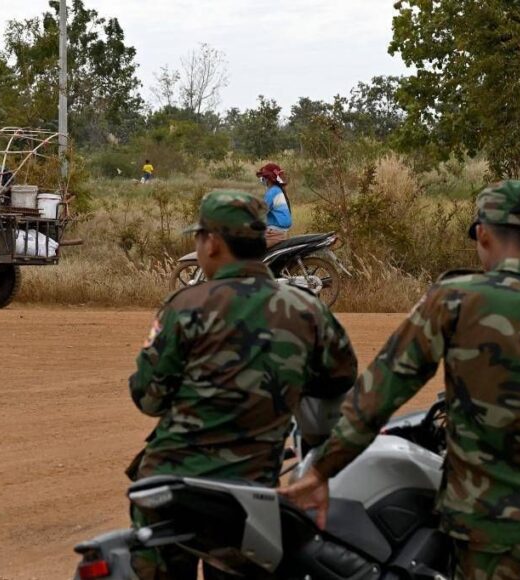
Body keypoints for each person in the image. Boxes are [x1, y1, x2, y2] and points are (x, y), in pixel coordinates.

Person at [278, 180, 520, 579]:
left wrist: (321, 473)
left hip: (487, 525)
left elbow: (378, 395)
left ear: (483, 234)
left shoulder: (454, 301)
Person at [128, 189, 359, 579]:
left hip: (171, 489)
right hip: (251, 496)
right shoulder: (307, 310)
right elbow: (339, 380)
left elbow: (147, 398)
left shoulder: (184, 306)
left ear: (213, 243)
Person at [257, 163, 291, 247]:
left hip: (274, 233)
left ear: (268, 178)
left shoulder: (272, 192)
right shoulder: (278, 190)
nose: (262, 179)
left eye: (263, 177)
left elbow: (261, 212)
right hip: (281, 232)